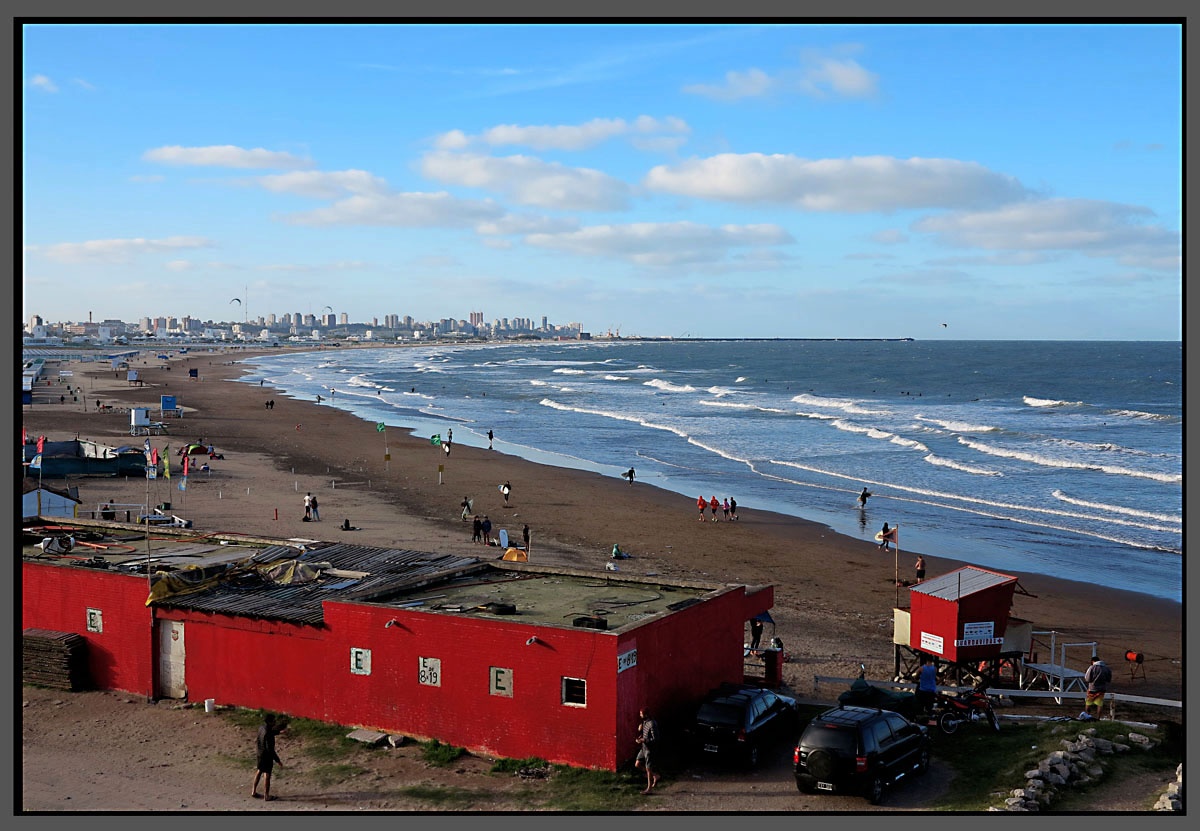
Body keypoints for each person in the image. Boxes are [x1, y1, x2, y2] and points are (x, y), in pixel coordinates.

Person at [251, 712, 285, 801]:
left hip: (259, 753)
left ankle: (253, 791)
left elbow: (269, 732)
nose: (275, 722)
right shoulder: (268, 732)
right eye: (273, 721)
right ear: (270, 722)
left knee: (259, 771)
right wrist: (278, 760)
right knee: (267, 774)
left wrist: (278, 732)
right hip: (266, 756)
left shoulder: (261, 728)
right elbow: (270, 750)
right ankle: (266, 795)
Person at [634, 708, 660, 794]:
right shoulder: (644, 722)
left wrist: (644, 740)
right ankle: (655, 776)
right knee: (637, 764)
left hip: (650, 749)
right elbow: (645, 734)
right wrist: (640, 738)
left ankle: (649, 789)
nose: (640, 715)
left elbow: (655, 739)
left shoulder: (652, 724)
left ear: (646, 715)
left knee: (648, 768)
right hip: (643, 748)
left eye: (641, 714)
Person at [1082, 655, 1112, 721]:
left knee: (1088, 703)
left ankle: (1087, 716)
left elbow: (1087, 679)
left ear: (1093, 661)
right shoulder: (1106, 668)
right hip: (1102, 689)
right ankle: (1098, 718)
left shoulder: (1092, 668)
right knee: (1099, 704)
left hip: (1092, 689)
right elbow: (1109, 679)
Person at [916, 654, 938, 720]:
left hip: (923, 690)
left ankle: (921, 718)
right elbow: (934, 677)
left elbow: (916, 677)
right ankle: (930, 719)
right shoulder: (935, 669)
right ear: (932, 660)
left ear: (926, 660)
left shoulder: (921, 668)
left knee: (921, 705)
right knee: (930, 706)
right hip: (931, 690)